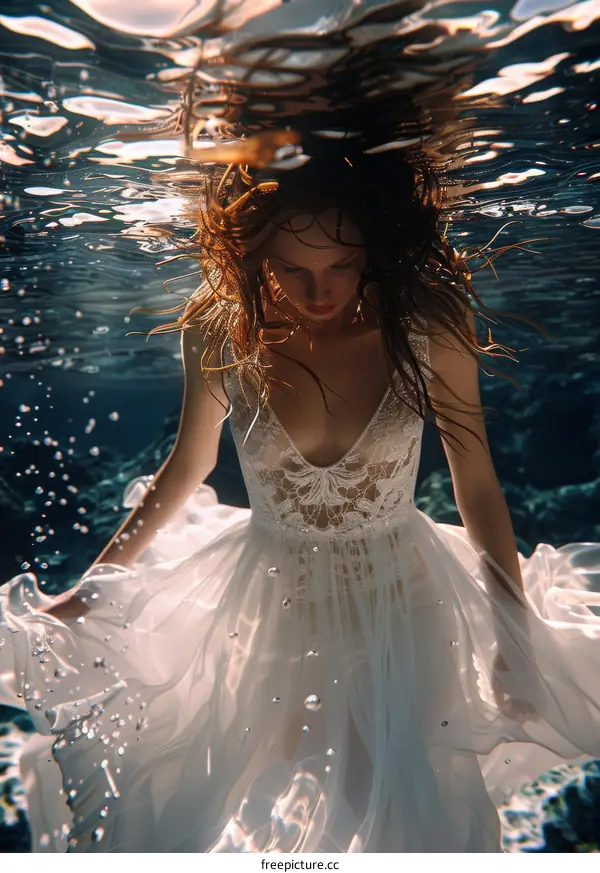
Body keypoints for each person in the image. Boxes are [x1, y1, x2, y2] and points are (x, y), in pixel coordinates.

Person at [2, 139, 600, 853]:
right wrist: (93, 587)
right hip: (270, 599)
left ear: (371, 251)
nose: (321, 292)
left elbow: (476, 482)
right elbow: (186, 467)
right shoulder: (220, 325)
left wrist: (513, 635)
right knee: (244, 799)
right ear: (257, 258)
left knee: (409, 813)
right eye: (294, 270)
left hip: (404, 598)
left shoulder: (428, 319)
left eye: (342, 266)